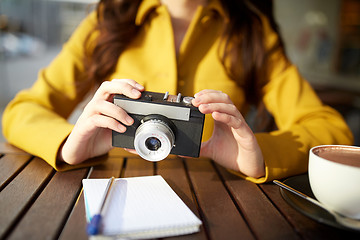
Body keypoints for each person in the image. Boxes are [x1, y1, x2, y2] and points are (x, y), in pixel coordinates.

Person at [2, 0, 353, 183]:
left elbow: (331, 130)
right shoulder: (106, 21)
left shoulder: (251, 32)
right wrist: (71, 144)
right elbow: (22, 110)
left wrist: (257, 152)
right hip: (108, 185)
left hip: (225, 201)